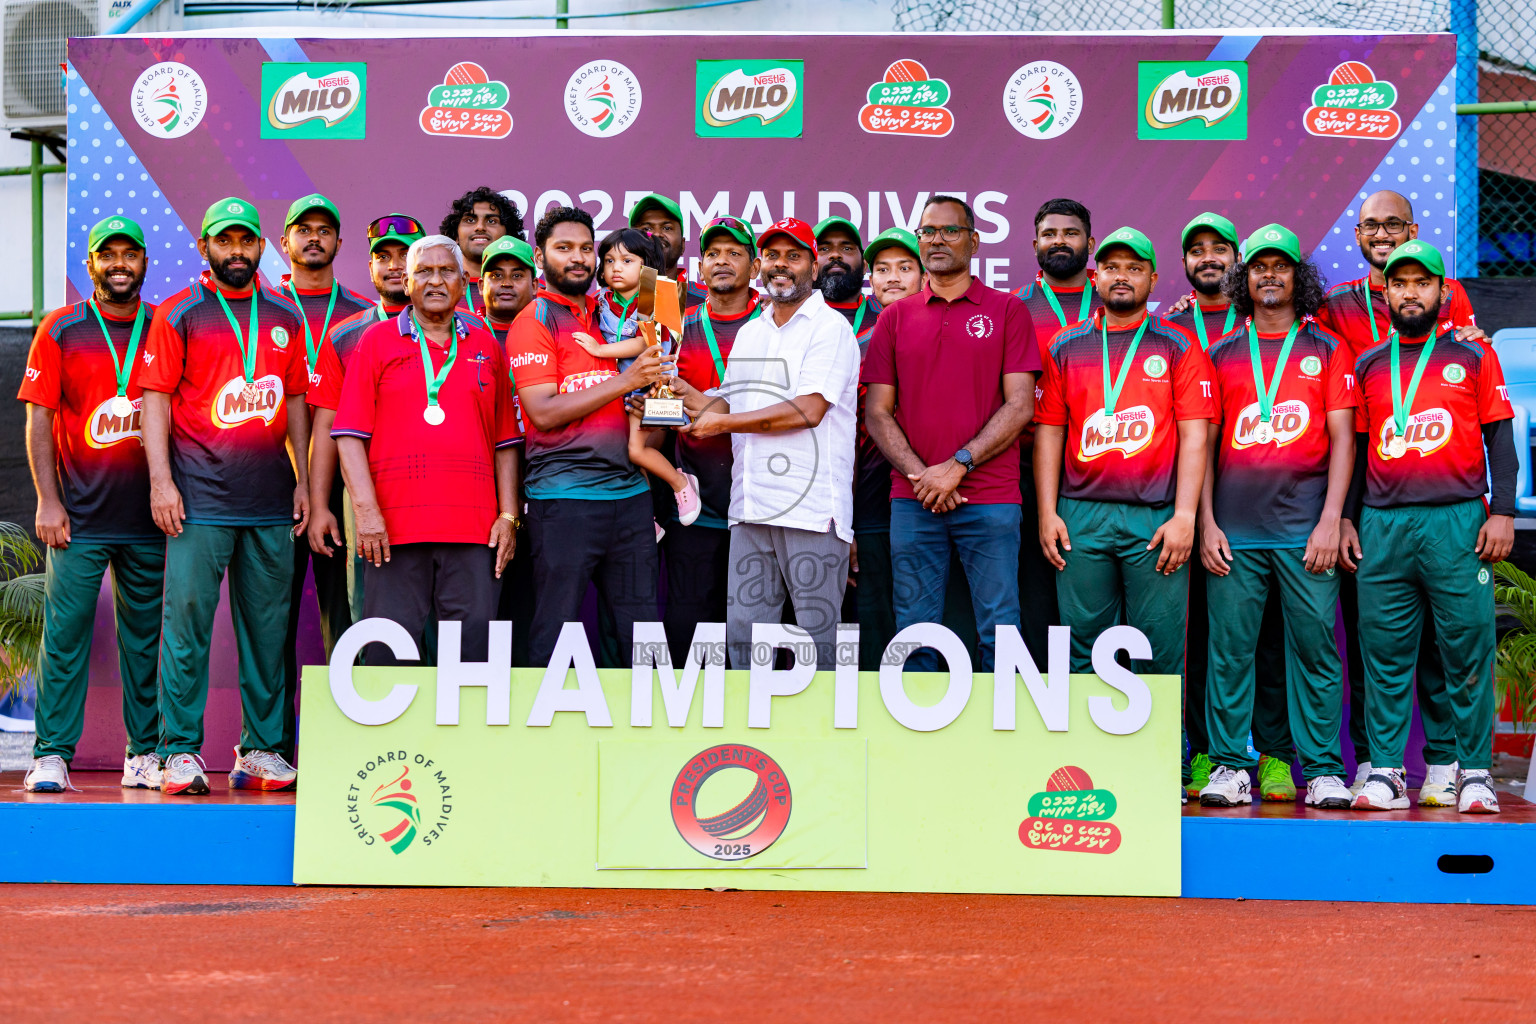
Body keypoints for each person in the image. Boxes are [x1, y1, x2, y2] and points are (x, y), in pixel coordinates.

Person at [134, 197, 310, 796]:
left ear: (261, 246)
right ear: (205, 247)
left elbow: (294, 403)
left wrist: (305, 480)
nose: (236, 251)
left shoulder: (285, 312)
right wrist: (161, 482)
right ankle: (178, 752)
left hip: (268, 502)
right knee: (186, 630)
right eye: (224, 241)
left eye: (246, 240)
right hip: (200, 500)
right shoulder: (181, 312)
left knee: (268, 631)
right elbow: (154, 399)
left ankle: (260, 750)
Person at [1034, 227, 1216, 801]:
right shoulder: (1066, 344)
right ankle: (1091, 760)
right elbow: (1049, 434)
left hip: (1154, 516)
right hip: (1081, 514)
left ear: (1152, 279)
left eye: (1134, 268)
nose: (1121, 276)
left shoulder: (1179, 345)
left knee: (1159, 646)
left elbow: (1195, 437)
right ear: (1095, 275)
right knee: (1082, 644)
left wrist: (1185, 515)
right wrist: (1047, 510)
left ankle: (1162, 765)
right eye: (1110, 266)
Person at [1317, 190, 1482, 803]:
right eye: (1370, 226)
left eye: (1393, 225)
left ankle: (1446, 764)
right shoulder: (1335, 307)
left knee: (1444, 640)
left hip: (1443, 498)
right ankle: (1374, 763)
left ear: (1412, 229)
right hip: (1372, 497)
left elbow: (1471, 359)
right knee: (1371, 641)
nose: (1381, 235)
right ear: (1357, 236)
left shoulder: (1449, 293)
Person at [1344, 240, 1515, 814]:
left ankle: (1476, 775)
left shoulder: (1472, 355)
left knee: (1466, 650)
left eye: (1422, 283)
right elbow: (1359, 451)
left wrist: (1504, 512)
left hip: (1456, 520)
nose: (1410, 292)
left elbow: (1501, 440)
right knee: (1384, 655)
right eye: (1399, 283)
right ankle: (1388, 773)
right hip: (1383, 524)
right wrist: (1347, 520)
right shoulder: (1368, 365)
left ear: (1444, 292)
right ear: (1385, 292)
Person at [1196, 224, 1355, 810]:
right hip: (1234, 535)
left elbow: (1344, 443)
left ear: (1298, 277)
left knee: (1314, 650)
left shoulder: (1328, 350)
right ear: (1245, 278)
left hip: (1305, 532)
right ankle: (1233, 767)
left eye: (1280, 266)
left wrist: (1331, 520)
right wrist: (1207, 523)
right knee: (1230, 651)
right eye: (1258, 266)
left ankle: (1321, 770)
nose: (1269, 274)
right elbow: (1204, 449)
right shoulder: (1220, 356)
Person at [672, 218, 860, 671]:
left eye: (794, 256)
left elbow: (807, 410)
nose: (782, 266)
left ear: (813, 268)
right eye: (773, 256)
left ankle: (821, 742)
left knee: (818, 646)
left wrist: (720, 424)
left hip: (811, 512)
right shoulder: (754, 331)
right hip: (751, 508)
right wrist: (672, 393)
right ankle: (751, 740)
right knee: (744, 643)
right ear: (762, 266)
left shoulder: (830, 328)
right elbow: (728, 402)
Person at [18, 216, 164, 793]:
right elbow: (39, 420)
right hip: (78, 517)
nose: (120, 263)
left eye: (131, 253)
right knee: (66, 636)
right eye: (109, 255)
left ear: (145, 263)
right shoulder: (61, 328)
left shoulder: (164, 327)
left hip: (151, 517)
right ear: (91, 265)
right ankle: (52, 753)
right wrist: (48, 501)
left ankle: (144, 752)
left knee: (147, 641)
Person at [864, 195, 1039, 672]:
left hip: (991, 497)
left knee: (1000, 626)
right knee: (913, 629)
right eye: (927, 232)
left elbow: (1020, 404)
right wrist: (925, 476)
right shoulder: (894, 318)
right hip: (914, 497)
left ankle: (997, 742)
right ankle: (919, 740)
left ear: (974, 241)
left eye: (950, 231)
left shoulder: (1007, 311)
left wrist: (957, 465)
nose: (937, 240)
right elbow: (877, 412)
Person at [332, 235, 519, 664]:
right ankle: (393, 736)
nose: (435, 281)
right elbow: (348, 435)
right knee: (387, 656)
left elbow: (505, 442)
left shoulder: (487, 346)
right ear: (407, 281)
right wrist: (366, 513)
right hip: (393, 531)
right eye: (423, 272)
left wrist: (508, 516)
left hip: (474, 532)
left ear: (463, 281)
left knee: (472, 661)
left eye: (446, 271)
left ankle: (466, 736)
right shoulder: (375, 341)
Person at [505, 207, 667, 668]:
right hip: (565, 499)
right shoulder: (534, 320)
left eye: (585, 249)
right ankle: (545, 737)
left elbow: (660, 310)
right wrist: (623, 381)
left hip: (632, 496)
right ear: (540, 255)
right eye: (563, 248)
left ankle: (639, 739)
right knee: (553, 634)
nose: (578, 259)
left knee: (641, 640)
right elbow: (543, 412)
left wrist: (653, 408)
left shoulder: (614, 312)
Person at [1169, 212, 1295, 801]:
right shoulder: (1168, 324)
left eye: (1221, 248)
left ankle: (1272, 757)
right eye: (1198, 250)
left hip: (1263, 517)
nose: (1210, 258)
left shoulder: (1265, 323)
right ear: (1185, 262)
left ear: (1238, 261)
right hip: (1188, 507)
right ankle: (1205, 754)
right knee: (1202, 640)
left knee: (1268, 639)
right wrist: (1192, 514)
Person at [276, 193, 371, 759]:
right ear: (284, 243)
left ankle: (347, 747)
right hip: (276, 489)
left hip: (346, 488)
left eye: (324, 230)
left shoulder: (363, 315)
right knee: (273, 622)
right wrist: (301, 485)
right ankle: (273, 746)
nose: (314, 238)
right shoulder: (261, 309)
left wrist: (326, 493)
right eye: (302, 230)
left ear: (339, 242)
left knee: (347, 619)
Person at [306, 214, 425, 624]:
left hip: (437, 488)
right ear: (370, 266)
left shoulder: (462, 329)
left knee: (437, 611)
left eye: (405, 255)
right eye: (383, 256)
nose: (394, 265)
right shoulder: (344, 335)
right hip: (365, 491)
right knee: (368, 609)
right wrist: (320, 504)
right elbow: (325, 426)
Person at [662, 216, 760, 661]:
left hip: (762, 504)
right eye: (713, 254)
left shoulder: (776, 326)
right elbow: (659, 400)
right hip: (696, 502)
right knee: (688, 627)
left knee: (754, 632)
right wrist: (655, 411)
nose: (722, 262)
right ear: (700, 269)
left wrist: (704, 405)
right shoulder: (674, 326)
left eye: (734, 253)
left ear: (755, 267)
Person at [1012, 198, 1101, 668]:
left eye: (1070, 233)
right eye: (1050, 234)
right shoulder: (1013, 308)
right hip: (1029, 466)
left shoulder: (1117, 298)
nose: (1059, 242)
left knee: (1095, 595)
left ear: (1090, 242)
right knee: (1038, 588)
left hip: (1102, 470)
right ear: (1034, 245)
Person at [571, 227, 701, 525]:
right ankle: (647, 517)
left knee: (635, 449)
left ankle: (681, 485)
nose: (616, 268)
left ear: (646, 266)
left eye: (627, 261)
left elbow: (647, 342)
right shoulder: (602, 299)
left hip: (655, 388)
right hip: (624, 390)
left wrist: (599, 349)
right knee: (625, 453)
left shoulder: (658, 292)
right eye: (609, 260)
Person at [814, 216, 896, 670]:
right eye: (825, 247)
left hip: (876, 492)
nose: (835, 256)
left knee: (875, 614)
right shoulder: (795, 324)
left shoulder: (888, 321)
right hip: (810, 495)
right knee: (816, 621)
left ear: (861, 262)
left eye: (846, 248)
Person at [475, 234, 539, 664]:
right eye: (495, 275)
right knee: (478, 615)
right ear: (477, 284)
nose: (506, 284)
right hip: (482, 497)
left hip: (543, 487)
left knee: (529, 613)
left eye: (518, 275)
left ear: (535, 284)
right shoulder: (465, 336)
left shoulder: (551, 332)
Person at [440, 187, 523, 315]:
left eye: (491, 221)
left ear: (509, 234)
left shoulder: (531, 291)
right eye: (470, 220)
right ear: (455, 234)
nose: (480, 227)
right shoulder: (437, 289)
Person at [628, 193, 709, 306]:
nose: (657, 234)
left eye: (667, 228)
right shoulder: (604, 302)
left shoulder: (707, 300)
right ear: (629, 245)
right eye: (646, 228)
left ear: (682, 245)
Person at [865, 227, 924, 308]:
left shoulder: (941, 320)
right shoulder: (844, 320)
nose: (893, 278)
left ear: (923, 280)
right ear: (871, 282)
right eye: (883, 270)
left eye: (904, 268)